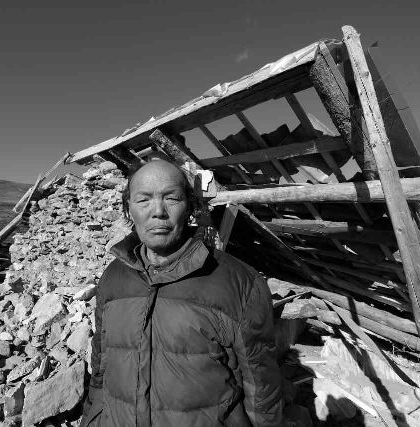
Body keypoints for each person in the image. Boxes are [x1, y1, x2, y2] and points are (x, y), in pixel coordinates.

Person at [81, 159, 283, 427]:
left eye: (172, 198)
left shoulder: (239, 284)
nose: (158, 212)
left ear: (189, 206)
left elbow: (262, 393)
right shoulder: (113, 278)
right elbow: (101, 370)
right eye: (143, 200)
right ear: (128, 208)